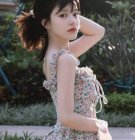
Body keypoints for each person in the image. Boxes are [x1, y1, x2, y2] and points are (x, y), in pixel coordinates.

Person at [15, 0, 111, 139]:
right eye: (62, 15)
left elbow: (98, 31)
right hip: (76, 135)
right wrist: (100, 125)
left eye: (75, 14)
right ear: (46, 23)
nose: (73, 21)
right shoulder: (65, 59)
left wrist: (61, 10)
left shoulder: (55, 55)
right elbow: (66, 117)